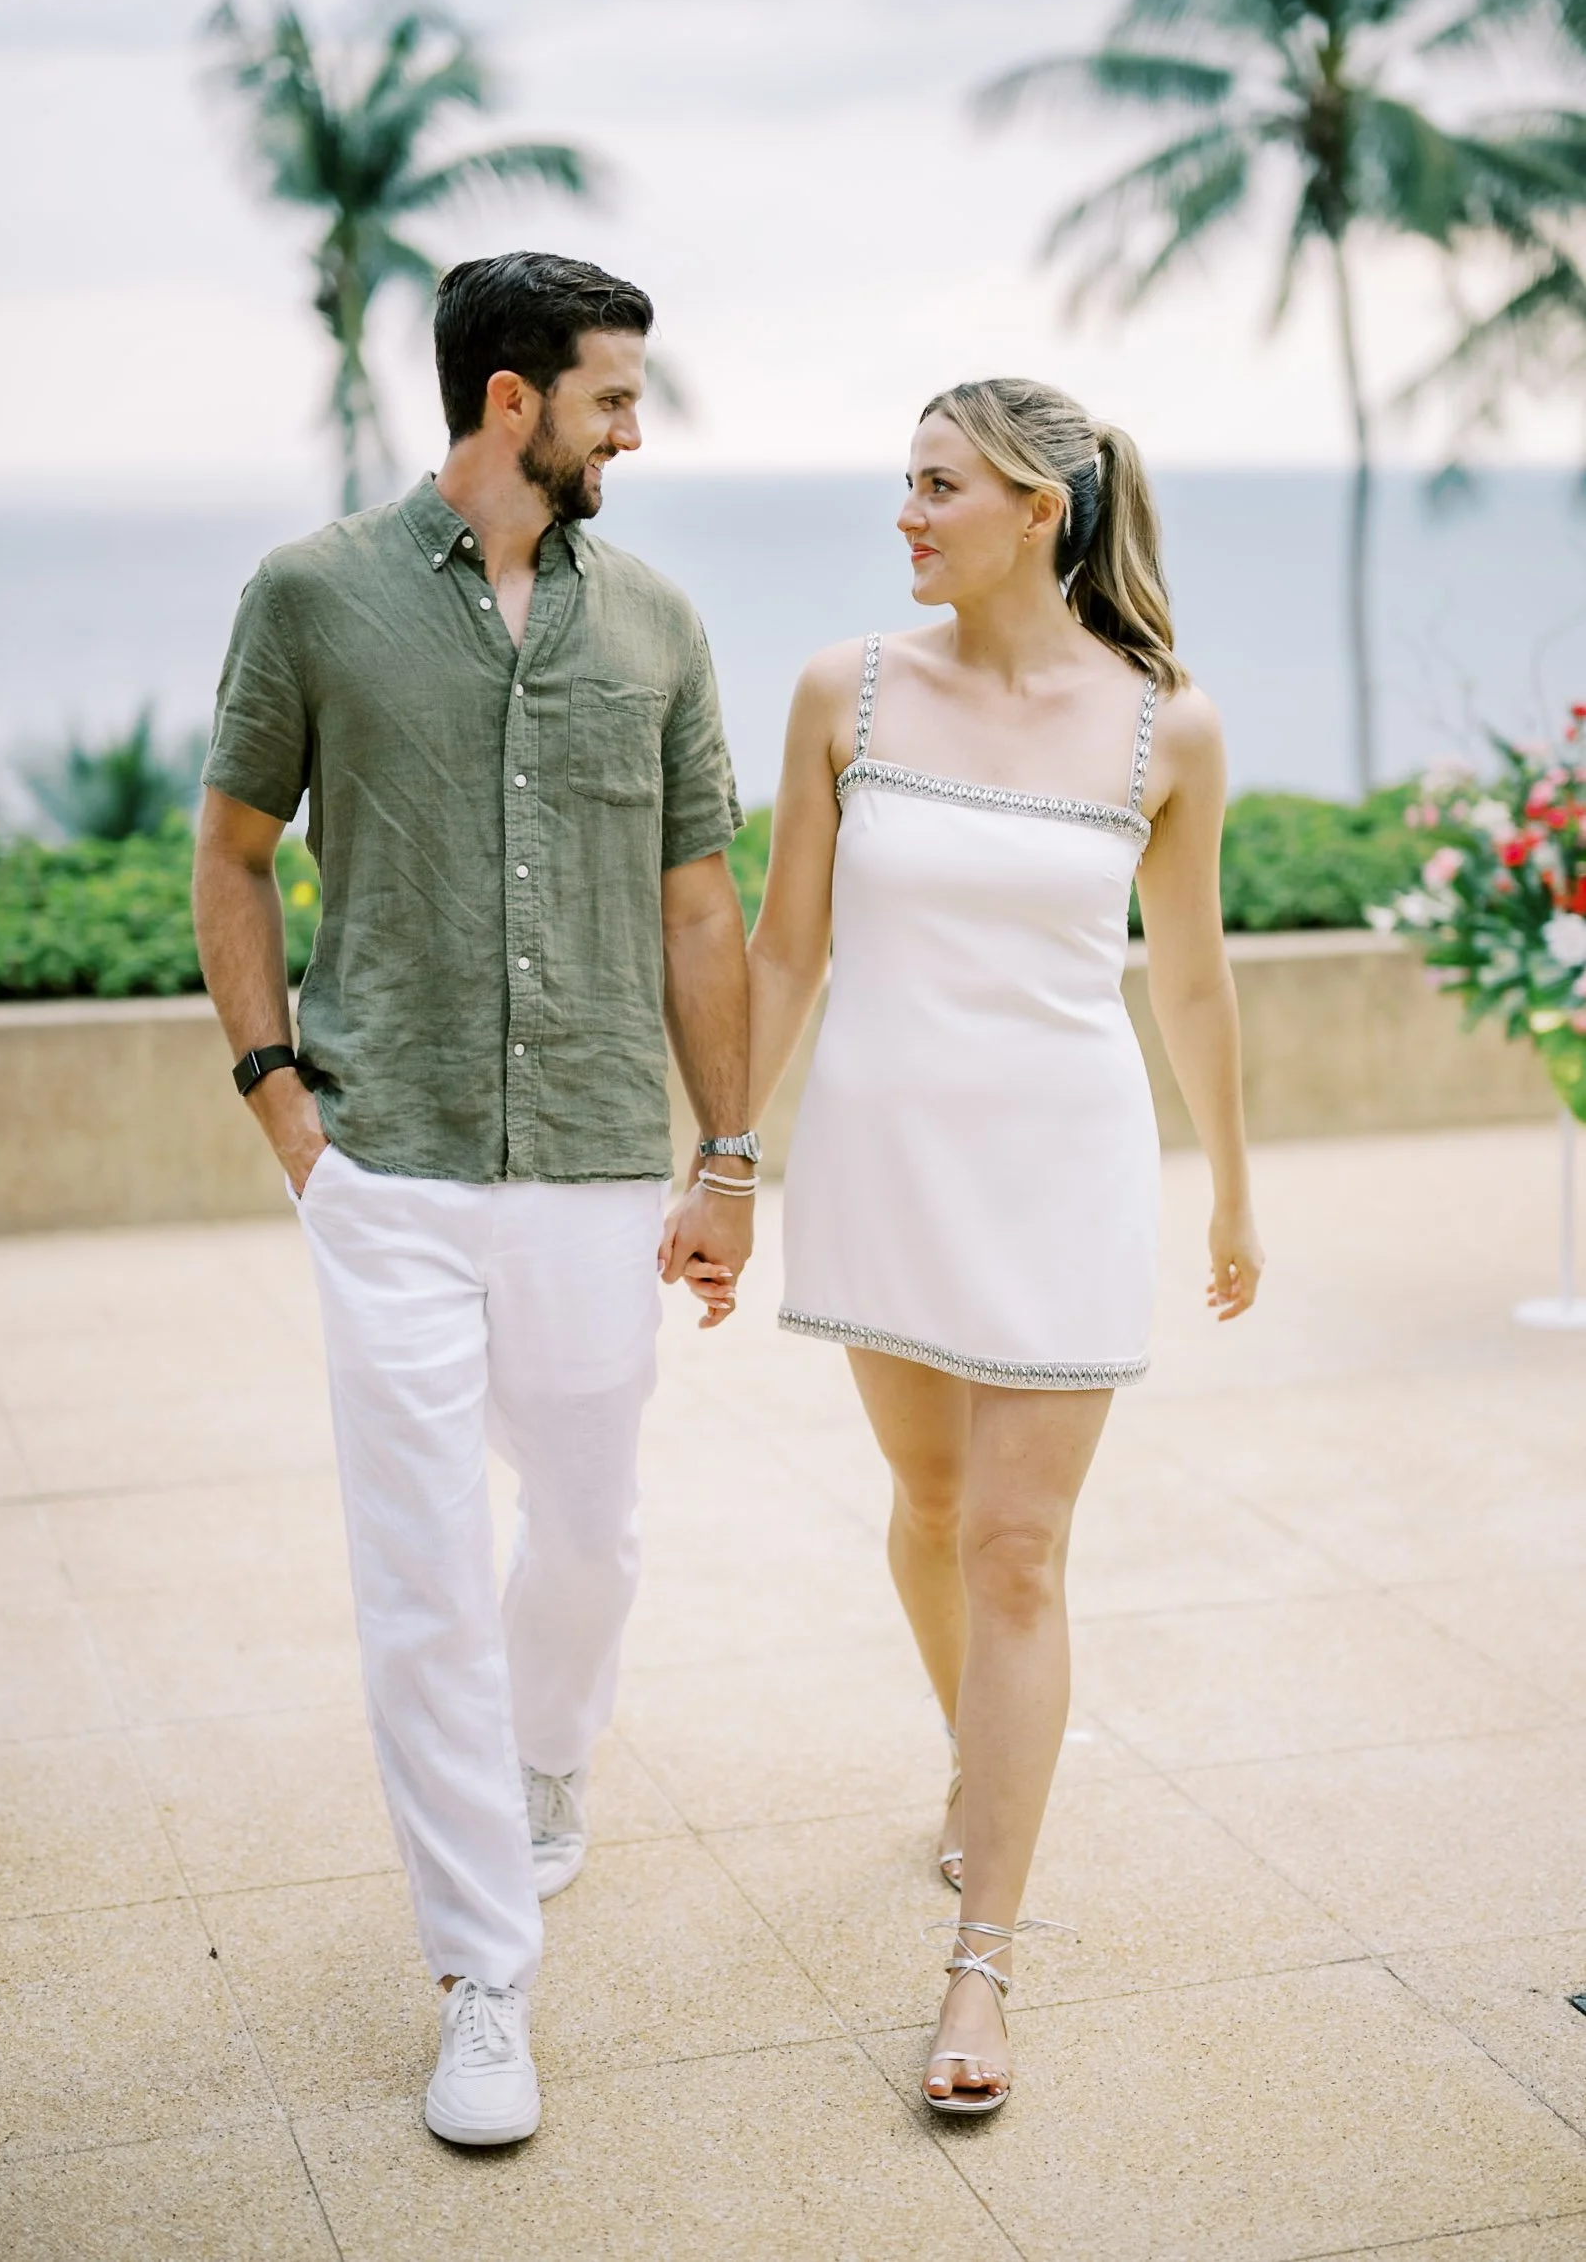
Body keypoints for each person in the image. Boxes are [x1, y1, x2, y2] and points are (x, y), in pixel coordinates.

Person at [192, 251, 759, 2149]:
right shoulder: (313, 598)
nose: (633, 428)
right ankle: (482, 1973)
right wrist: (284, 1101)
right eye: (611, 397)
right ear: (509, 400)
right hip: (395, 1166)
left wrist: (730, 1152)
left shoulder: (662, 625)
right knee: (422, 1568)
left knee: (586, 1530)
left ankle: (545, 1758)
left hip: (600, 1159)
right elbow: (235, 849)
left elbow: (701, 909)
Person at [747, 377, 1262, 2115]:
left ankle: (982, 1955)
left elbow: (1185, 974)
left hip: (1063, 1167)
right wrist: (726, 1156)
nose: (906, 512)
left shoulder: (1162, 727)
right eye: (904, 482)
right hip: (885, 1159)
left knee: (1022, 1552)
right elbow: (784, 951)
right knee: (933, 1513)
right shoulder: (847, 689)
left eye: (937, 485)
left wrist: (1232, 1184)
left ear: (1039, 505)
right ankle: (981, 1768)